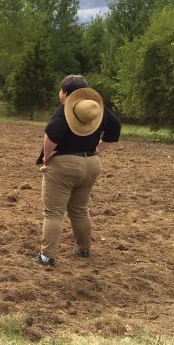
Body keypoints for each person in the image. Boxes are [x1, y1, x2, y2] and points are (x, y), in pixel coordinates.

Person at [34, 74, 121, 268]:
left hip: (65, 165)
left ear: (64, 93)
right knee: (80, 210)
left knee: (54, 213)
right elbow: (115, 128)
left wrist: (47, 157)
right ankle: (83, 249)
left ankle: (47, 256)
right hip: (91, 164)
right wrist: (98, 149)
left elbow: (51, 136)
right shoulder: (97, 110)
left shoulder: (64, 110)